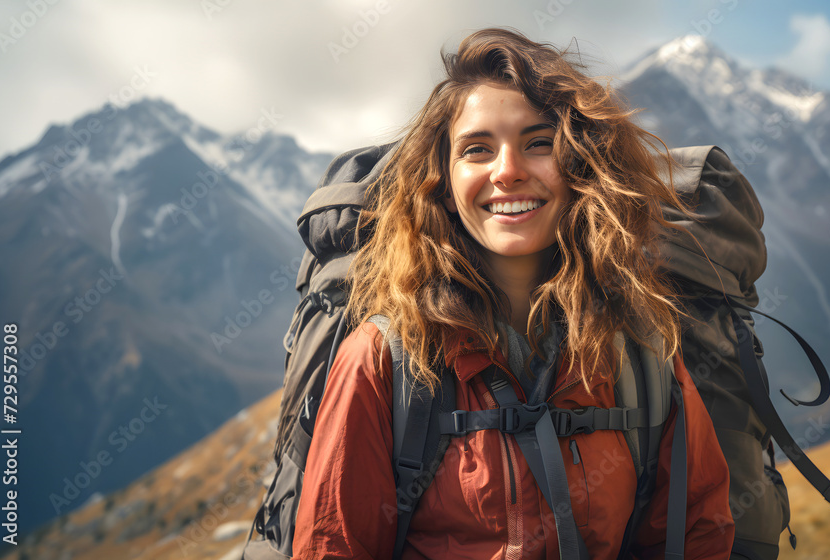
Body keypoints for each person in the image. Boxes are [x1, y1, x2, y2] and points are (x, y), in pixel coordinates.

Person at [292, 28, 734, 559]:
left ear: (581, 170)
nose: (508, 171)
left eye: (540, 143)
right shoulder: (384, 360)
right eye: (477, 149)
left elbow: (697, 535)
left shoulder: (640, 353)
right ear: (444, 185)